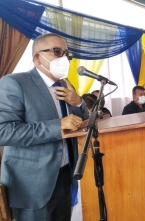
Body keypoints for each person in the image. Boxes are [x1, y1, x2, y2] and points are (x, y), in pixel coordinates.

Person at [0, 33, 89, 221]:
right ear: (37, 57)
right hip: (31, 184)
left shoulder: (65, 84)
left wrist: (79, 102)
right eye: (57, 52)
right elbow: (4, 132)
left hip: (65, 176)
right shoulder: (14, 83)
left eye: (66, 54)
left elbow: (81, 122)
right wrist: (57, 126)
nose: (63, 58)